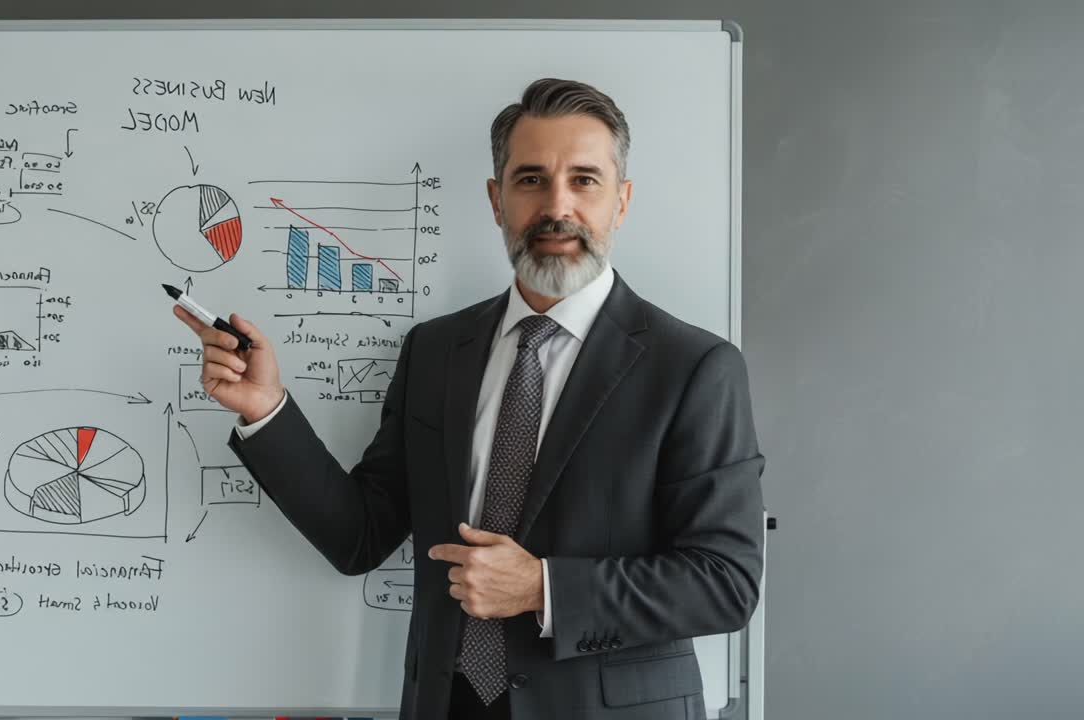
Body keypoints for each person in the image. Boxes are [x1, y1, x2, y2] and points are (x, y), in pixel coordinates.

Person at [174, 78, 765, 720]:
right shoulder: (434, 351)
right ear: (496, 199)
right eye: (531, 179)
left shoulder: (694, 368)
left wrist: (543, 588)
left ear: (621, 202)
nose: (556, 206)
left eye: (585, 180)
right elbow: (360, 536)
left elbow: (725, 584)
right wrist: (266, 410)